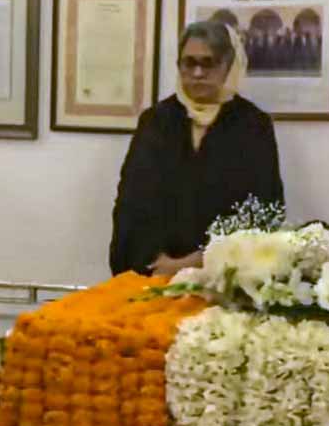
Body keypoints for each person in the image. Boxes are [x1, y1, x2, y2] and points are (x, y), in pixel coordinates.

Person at [109, 21, 284, 277]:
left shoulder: (253, 125)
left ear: (228, 66)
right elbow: (131, 202)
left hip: (222, 279)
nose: (198, 73)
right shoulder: (156, 121)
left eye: (209, 62)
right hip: (152, 273)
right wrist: (157, 260)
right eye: (189, 63)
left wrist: (200, 260)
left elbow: (263, 207)